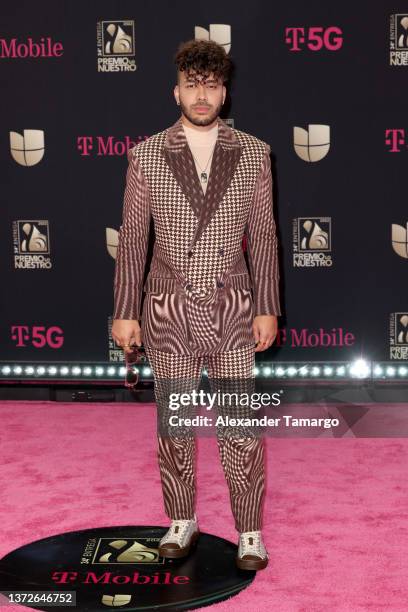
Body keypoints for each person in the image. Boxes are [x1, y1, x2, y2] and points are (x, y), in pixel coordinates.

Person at [111, 38, 281, 571]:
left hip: (233, 307)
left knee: (239, 424)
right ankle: (181, 519)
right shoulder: (146, 155)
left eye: (211, 85)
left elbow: (267, 237)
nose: (201, 95)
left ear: (224, 92)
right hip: (168, 311)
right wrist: (125, 311)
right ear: (176, 90)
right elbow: (134, 239)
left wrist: (267, 305)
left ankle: (249, 530)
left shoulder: (254, 152)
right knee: (174, 425)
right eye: (192, 84)